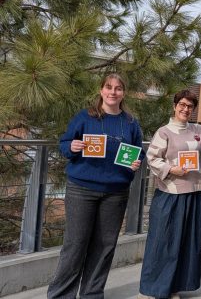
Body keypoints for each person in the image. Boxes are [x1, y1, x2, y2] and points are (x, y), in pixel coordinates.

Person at [48, 73, 145, 299]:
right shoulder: (85, 117)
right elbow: (64, 145)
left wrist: (136, 161)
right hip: (82, 189)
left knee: (104, 247)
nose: (113, 92)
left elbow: (138, 150)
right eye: (109, 87)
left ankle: (92, 294)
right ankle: (61, 295)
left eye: (118, 88)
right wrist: (71, 146)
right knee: (75, 244)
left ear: (124, 93)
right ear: (101, 90)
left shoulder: (130, 122)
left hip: (116, 192)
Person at [139, 90, 201, 299]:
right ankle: (152, 289)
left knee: (186, 244)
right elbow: (152, 158)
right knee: (163, 242)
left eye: (190, 106)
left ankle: (173, 288)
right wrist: (171, 169)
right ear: (174, 106)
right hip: (170, 194)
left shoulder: (200, 131)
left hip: (194, 192)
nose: (185, 109)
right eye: (182, 104)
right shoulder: (164, 132)